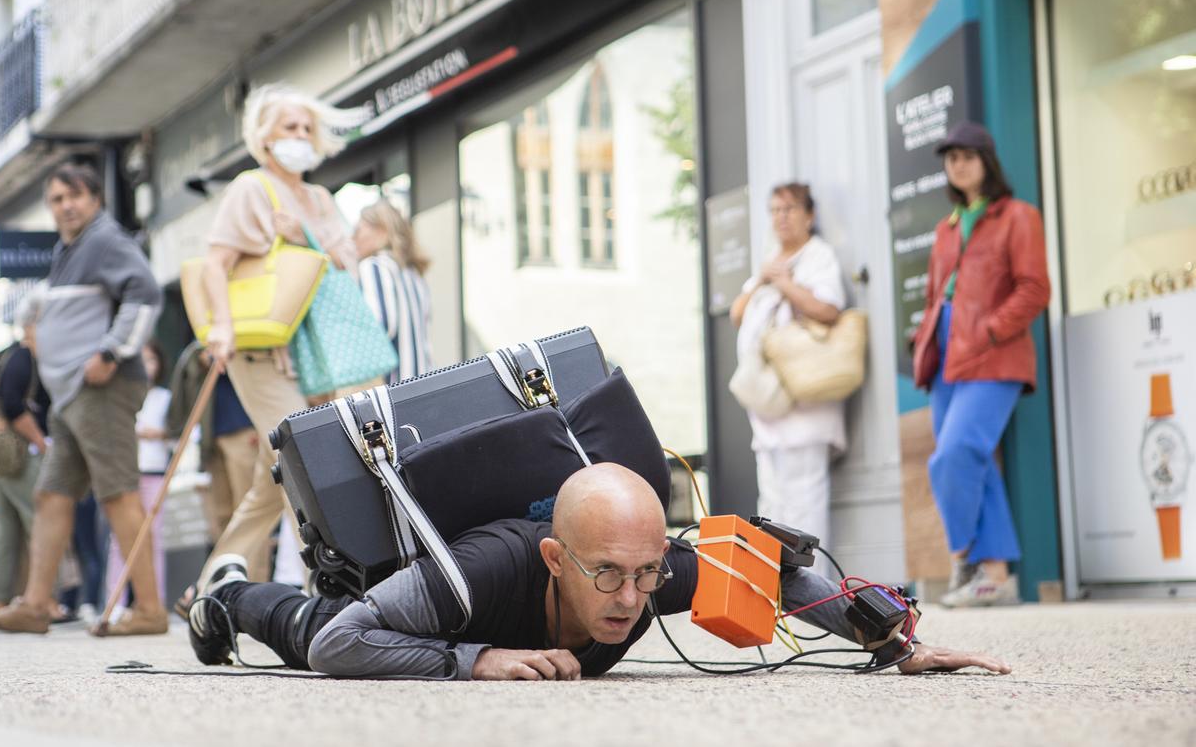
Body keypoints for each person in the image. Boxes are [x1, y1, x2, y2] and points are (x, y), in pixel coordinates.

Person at [187, 463, 1011, 679]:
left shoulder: (652, 572)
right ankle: (223, 594)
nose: (630, 598)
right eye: (608, 574)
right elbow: (342, 645)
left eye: (646, 573)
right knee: (305, 624)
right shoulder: (481, 574)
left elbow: (777, 576)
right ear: (556, 557)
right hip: (409, 600)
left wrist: (895, 639)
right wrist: (476, 660)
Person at [183, 83, 361, 611]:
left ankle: (211, 583)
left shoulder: (322, 199)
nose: (301, 136)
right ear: (263, 136)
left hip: (318, 353)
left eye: (307, 128)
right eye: (290, 126)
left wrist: (303, 234)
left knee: (275, 472)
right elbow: (216, 261)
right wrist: (221, 329)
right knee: (303, 457)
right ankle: (337, 580)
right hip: (261, 347)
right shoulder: (251, 188)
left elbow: (347, 262)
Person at [0, 163, 167, 636]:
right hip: (72, 397)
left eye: (74, 196)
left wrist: (110, 352)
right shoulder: (69, 248)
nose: (66, 206)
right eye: (57, 199)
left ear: (95, 199)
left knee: (118, 493)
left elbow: (146, 295)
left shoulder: (105, 240)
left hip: (100, 390)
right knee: (51, 494)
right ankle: (37, 605)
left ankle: (149, 611)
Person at [912, 122, 1050, 608]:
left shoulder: (1017, 216)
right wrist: (926, 334)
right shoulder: (946, 227)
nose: (958, 163)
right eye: (950, 157)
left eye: (968, 155)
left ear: (987, 161)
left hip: (994, 351)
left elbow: (1035, 288)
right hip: (946, 352)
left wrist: (990, 330)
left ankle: (962, 556)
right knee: (976, 462)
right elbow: (936, 294)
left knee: (955, 453)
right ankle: (995, 576)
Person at [730, 183, 847, 559]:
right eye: (775, 210)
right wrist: (765, 279)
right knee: (773, 500)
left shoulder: (817, 256)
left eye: (789, 209)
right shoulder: (770, 260)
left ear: (809, 215)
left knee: (805, 497)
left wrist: (784, 284)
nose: (781, 217)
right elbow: (737, 314)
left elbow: (828, 309)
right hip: (768, 401)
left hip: (804, 398)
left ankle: (813, 588)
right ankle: (778, 588)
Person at [0, 293, 52, 614]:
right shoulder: (24, 358)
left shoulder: (18, 357)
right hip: (18, 457)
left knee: (5, 529)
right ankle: (44, 600)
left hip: (0, 461)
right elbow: (12, 406)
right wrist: (40, 440)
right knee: (40, 522)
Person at [168, 342, 260, 548]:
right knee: (221, 515)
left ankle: (254, 578)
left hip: (243, 429)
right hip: (210, 436)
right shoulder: (200, 343)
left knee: (248, 512)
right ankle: (230, 574)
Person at [105, 340, 171, 612]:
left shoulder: (165, 397)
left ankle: (155, 601)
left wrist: (157, 434)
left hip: (155, 471)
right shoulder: (120, 396)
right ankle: (115, 601)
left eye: (152, 360)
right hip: (125, 472)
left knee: (153, 537)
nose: (147, 366)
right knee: (120, 539)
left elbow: (178, 433)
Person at [354, 198, 434, 385]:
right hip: (424, 380)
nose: (354, 238)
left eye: (358, 229)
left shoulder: (374, 267)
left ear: (381, 230)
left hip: (393, 387)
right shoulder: (414, 274)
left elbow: (380, 327)